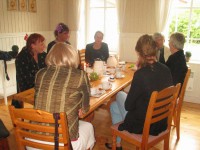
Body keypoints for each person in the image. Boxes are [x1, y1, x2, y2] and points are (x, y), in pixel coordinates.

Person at [105, 34, 173, 150]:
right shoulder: (166, 69)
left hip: (144, 125)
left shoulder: (141, 74)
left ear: (139, 53)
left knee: (120, 95)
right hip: (161, 122)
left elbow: (128, 106)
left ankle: (118, 143)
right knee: (114, 106)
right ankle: (118, 144)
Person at [32, 43, 95, 150]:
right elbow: (85, 107)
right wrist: (81, 107)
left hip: (34, 137)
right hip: (62, 142)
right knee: (89, 127)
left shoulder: (40, 74)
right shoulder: (80, 75)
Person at [14, 33, 46, 108]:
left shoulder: (42, 55)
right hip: (27, 86)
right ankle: (41, 114)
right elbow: (27, 79)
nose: (44, 46)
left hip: (40, 83)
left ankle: (45, 113)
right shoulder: (21, 58)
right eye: (41, 44)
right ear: (33, 46)